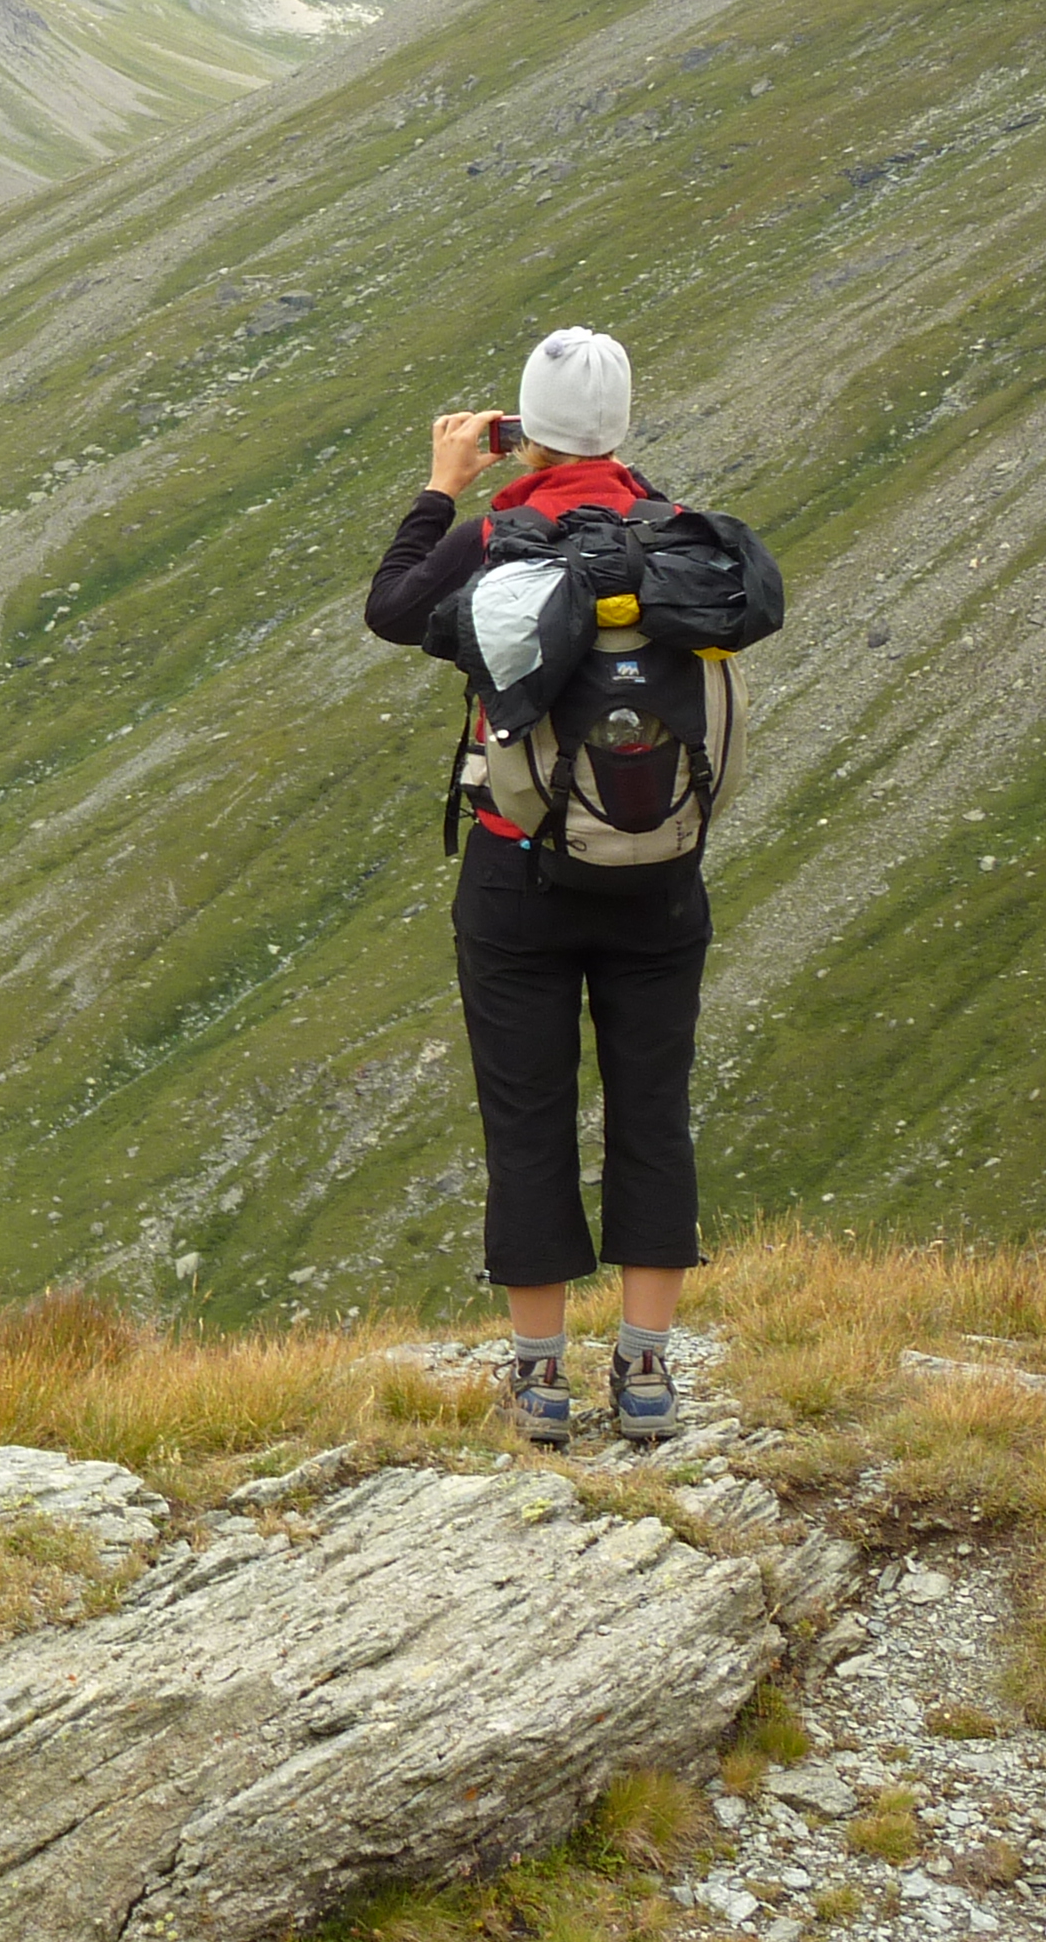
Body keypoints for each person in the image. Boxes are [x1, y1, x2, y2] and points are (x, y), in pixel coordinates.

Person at [362, 326, 704, 1448]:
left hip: (518, 868)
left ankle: (541, 1382)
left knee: (529, 1112)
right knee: (652, 1108)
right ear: (626, 423)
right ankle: (647, 1375)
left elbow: (394, 610)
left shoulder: (498, 538)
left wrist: (441, 486)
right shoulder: (675, 535)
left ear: (522, 429)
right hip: (659, 871)